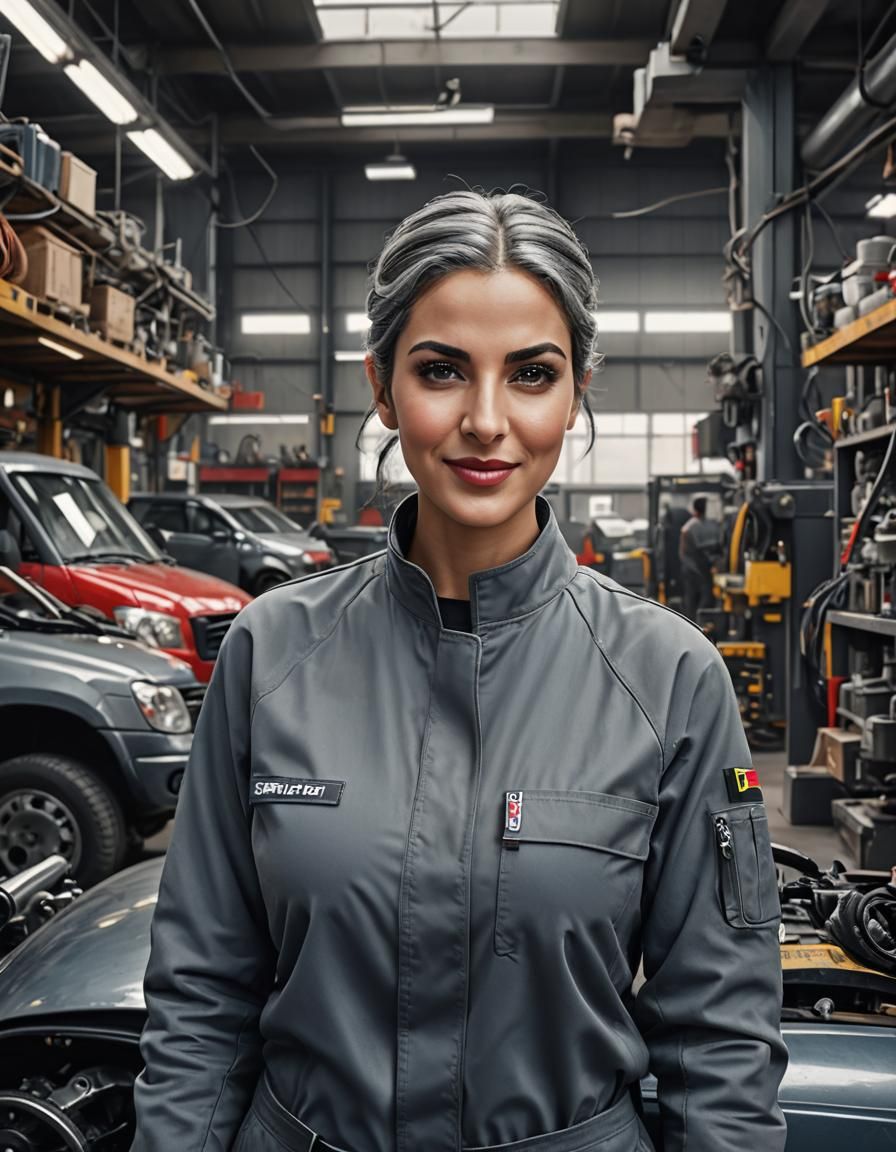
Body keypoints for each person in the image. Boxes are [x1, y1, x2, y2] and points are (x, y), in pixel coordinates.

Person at [130, 190, 787, 1152]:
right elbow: (202, 998)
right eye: (442, 371)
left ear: (577, 392)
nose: (487, 420)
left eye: (532, 374)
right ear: (384, 389)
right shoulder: (271, 656)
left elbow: (722, 1040)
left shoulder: (669, 680)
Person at [679, 495, 721, 622]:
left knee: (692, 602)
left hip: (693, 569)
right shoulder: (714, 526)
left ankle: (693, 624)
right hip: (703, 569)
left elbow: (683, 553)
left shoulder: (688, 528)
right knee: (705, 599)